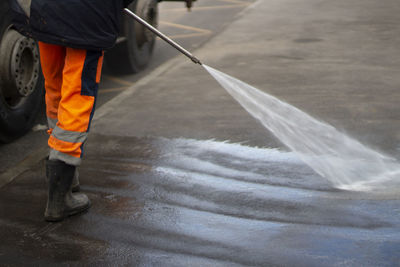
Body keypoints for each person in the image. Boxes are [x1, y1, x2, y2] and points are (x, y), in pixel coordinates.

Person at [10, 0, 133, 222]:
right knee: (77, 98)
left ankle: (68, 177)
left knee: (55, 91)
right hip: (88, 20)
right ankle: (59, 199)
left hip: (47, 13)